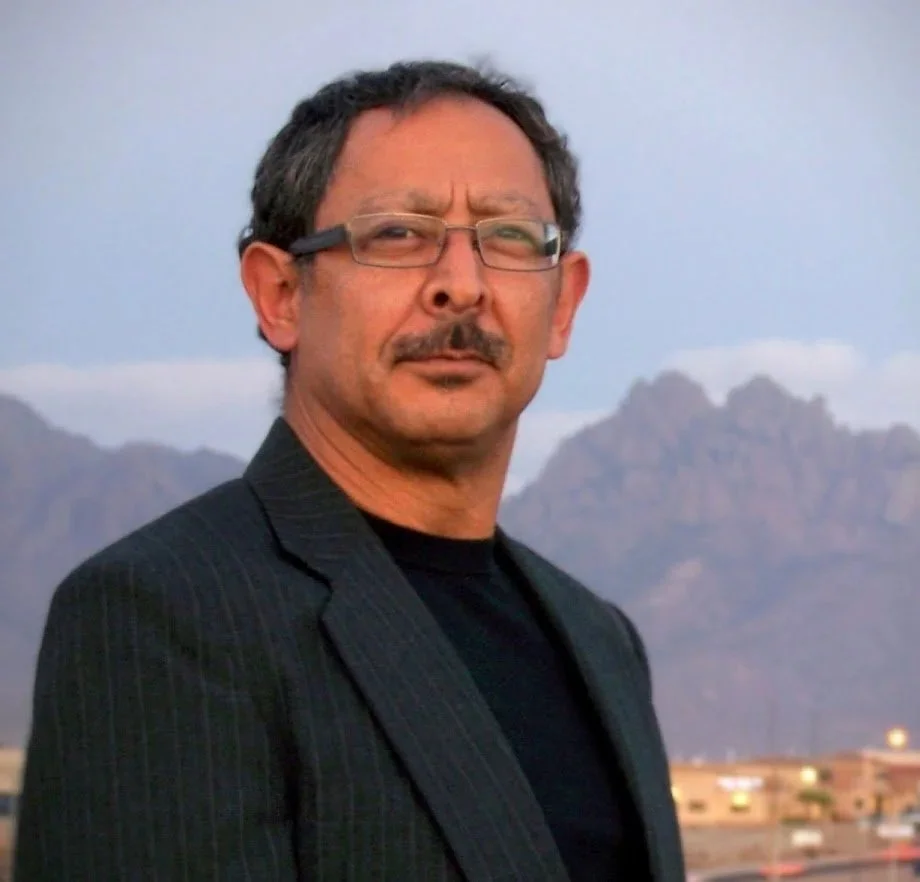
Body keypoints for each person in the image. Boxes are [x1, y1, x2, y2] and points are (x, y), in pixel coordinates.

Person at [14, 60, 685, 881]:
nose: (461, 287)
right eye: (399, 234)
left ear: (564, 303)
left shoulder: (601, 640)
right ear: (280, 295)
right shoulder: (164, 616)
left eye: (509, 237)